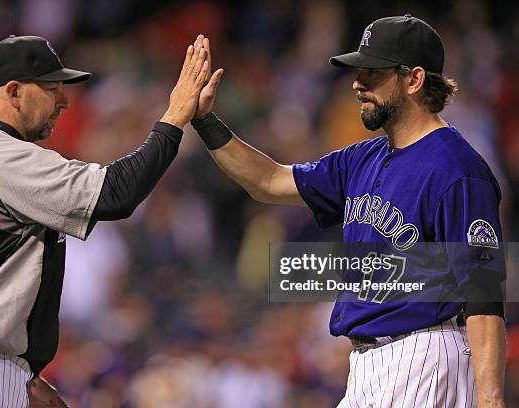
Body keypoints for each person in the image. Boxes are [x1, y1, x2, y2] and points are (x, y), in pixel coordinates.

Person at [191, 16, 506, 407]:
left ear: (414, 79)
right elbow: (269, 181)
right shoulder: (363, 158)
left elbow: (484, 294)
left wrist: (491, 397)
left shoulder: (457, 169)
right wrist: (204, 121)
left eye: (373, 72)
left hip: (425, 355)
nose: (357, 83)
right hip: (368, 364)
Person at [0, 34, 210, 407]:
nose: (64, 100)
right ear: (14, 92)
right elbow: (116, 193)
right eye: (51, 88)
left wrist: (23, 372)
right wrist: (175, 117)